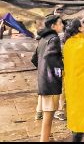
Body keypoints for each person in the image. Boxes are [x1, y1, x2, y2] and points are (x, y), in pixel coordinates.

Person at [31, 14, 65, 142]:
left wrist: (42, 72)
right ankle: (44, 139)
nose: (62, 26)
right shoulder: (54, 39)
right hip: (50, 82)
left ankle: (46, 137)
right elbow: (51, 59)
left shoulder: (43, 38)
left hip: (43, 80)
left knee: (48, 114)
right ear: (53, 26)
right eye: (60, 23)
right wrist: (60, 71)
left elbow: (34, 59)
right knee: (48, 116)